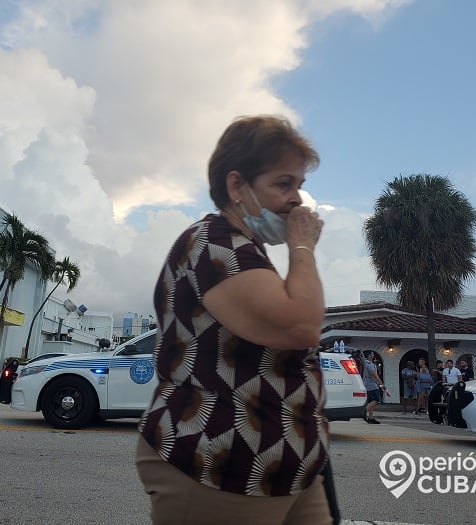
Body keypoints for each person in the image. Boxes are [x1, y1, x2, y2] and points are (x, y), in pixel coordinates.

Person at [136, 115, 333, 525]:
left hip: (287, 472)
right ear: (236, 186)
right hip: (220, 468)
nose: (297, 199)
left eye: (300, 185)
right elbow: (300, 325)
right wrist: (301, 246)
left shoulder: (246, 251)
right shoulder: (215, 244)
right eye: (283, 184)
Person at [360, 350, 384, 424]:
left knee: (371, 401)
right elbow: (374, 374)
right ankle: (363, 412)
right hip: (371, 385)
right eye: (372, 354)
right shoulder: (368, 364)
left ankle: (371, 418)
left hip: (367, 384)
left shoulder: (365, 363)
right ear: (369, 355)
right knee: (377, 399)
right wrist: (381, 384)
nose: (373, 355)